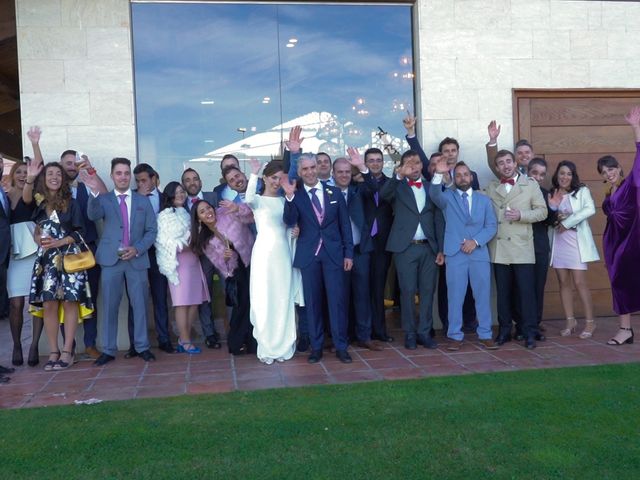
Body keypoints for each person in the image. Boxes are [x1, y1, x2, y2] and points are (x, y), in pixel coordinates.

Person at [281, 153, 354, 363]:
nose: (311, 172)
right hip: (309, 256)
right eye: (305, 169)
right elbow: (289, 220)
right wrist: (289, 198)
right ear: (300, 172)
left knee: (337, 302)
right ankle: (317, 347)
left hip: (333, 255)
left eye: (313, 167)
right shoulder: (296, 194)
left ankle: (341, 346)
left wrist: (348, 253)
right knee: (312, 304)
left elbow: (345, 226)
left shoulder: (334, 191)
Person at [87, 158, 157, 366]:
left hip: (136, 259)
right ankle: (108, 350)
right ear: (112, 176)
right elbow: (93, 215)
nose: (123, 177)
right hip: (111, 260)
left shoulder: (143, 201)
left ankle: (143, 347)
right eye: (119, 173)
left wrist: (137, 248)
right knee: (109, 305)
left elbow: (152, 230)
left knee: (141, 306)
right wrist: (93, 193)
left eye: (126, 173)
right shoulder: (105, 199)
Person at [27, 162, 94, 371]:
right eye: (50, 174)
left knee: (69, 302)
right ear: (44, 178)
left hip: (69, 258)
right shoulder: (39, 204)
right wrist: (38, 239)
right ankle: (54, 351)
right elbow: (36, 230)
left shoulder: (71, 203)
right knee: (48, 304)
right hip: (46, 261)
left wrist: (58, 242)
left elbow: (80, 232)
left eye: (58, 174)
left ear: (63, 179)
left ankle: (68, 351)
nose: (54, 177)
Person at [429, 157, 498, 350]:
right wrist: (437, 174)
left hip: (478, 253)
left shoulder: (484, 200)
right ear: (453, 178)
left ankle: (485, 334)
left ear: (471, 176)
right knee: (455, 296)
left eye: (465, 174)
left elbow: (491, 226)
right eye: (458, 175)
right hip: (455, 253)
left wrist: (475, 242)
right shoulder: (446, 197)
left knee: (482, 295)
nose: (462, 177)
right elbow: (434, 194)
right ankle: (455, 336)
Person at [380, 150, 444, 350]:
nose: (413, 167)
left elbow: (439, 220)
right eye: (409, 163)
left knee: (427, 291)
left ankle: (424, 332)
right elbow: (383, 195)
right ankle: (409, 333)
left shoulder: (430, 187)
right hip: (405, 248)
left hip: (429, 248)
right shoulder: (397, 187)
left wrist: (441, 249)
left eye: (416, 163)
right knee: (407, 292)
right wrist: (398, 175)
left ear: (422, 166)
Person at [485, 149, 547, 349]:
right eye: (501, 163)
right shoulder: (492, 187)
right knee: (503, 293)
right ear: (496, 168)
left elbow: (543, 211)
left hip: (522, 246)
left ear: (515, 163)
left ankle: (529, 331)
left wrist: (522, 215)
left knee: (526, 293)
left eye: (508, 161)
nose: (506, 165)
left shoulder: (530, 185)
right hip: (500, 247)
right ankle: (504, 331)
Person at [245, 159, 299, 363]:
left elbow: (288, 224)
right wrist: (253, 173)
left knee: (282, 297)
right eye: (274, 178)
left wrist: (294, 231)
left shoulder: (286, 200)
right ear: (266, 178)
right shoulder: (257, 200)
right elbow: (248, 198)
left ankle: (284, 343)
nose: (277, 182)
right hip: (264, 255)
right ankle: (267, 344)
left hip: (283, 254)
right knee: (264, 298)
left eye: (280, 178)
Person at [59, 147, 108, 359]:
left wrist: (90, 171)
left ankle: (90, 344)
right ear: (61, 167)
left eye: (75, 162)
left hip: (88, 249)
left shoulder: (86, 186)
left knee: (90, 298)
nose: (72, 167)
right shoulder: (55, 189)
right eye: (68, 164)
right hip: (62, 253)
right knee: (65, 300)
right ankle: (68, 348)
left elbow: (106, 197)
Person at [191, 199, 256, 355]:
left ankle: (252, 342)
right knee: (242, 305)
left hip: (253, 260)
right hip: (236, 271)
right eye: (202, 212)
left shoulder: (227, 213)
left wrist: (237, 208)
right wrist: (226, 258)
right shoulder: (204, 239)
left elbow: (251, 216)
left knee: (255, 304)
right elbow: (220, 265)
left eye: (208, 208)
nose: (208, 212)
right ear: (199, 218)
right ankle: (237, 343)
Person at [598, 106, 640, 345]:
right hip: (614, 246)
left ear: (619, 169)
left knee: (627, 282)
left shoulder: (630, 185)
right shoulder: (608, 193)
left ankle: (626, 330)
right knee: (619, 283)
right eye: (604, 171)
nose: (609, 173)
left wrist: (635, 128)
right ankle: (625, 330)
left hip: (631, 243)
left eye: (611, 168)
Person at [155, 182, 209, 354]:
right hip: (178, 263)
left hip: (193, 260)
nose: (180, 195)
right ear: (169, 195)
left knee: (194, 302)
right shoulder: (163, 216)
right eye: (176, 192)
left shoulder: (185, 212)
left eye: (182, 192)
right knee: (182, 303)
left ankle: (183, 338)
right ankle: (185, 341)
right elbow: (166, 242)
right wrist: (189, 241)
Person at [336, 152, 383, 351]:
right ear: (333, 173)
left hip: (360, 250)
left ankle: (364, 336)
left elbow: (375, 188)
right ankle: (342, 338)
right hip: (337, 253)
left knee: (362, 294)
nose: (344, 175)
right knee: (340, 296)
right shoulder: (327, 192)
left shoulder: (359, 189)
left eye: (348, 171)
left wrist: (363, 168)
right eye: (340, 172)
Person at [548, 161, 599, 338]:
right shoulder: (552, 193)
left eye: (569, 174)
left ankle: (590, 322)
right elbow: (549, 215)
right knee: (563, 283)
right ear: (557, 175)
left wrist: (567, 222)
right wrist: (555, 215)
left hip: (576, 244)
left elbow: (589, 209)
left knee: (579, 283)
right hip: (559, 243)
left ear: (573, 176)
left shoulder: (581, 191)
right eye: (562, 173)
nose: (565, 177)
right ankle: (570, 321)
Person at [129, 163, 173, 354]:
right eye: (137, 181)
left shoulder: (165, 199)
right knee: (135, 298)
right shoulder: (131, 197)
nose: (141, 184)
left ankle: (164, 339)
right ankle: (134, 344)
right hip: (138, 252)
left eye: (144, 180)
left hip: (158, 253)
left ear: (154, 178)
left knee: (160, 297)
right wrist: (139, 199)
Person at [181, 167, 221, 349]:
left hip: (221, 253)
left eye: (195, 179)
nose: (192, 183)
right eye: (188, 180)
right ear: (184, 185)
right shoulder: (180, 205)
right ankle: (210, 334)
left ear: (201, 181)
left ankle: (238, 329)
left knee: (232, 289)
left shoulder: (212, 198)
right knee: (205, 296)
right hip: (199, 257)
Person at [526, 157, 557, 334]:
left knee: (538, 286)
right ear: (528, 172)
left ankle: (535, 323)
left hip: (539, 247)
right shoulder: (518, 191)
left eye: (542, 174)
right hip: (520, 247)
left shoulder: (547, 194)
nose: (538, 177)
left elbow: (551, 222)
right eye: (535, 173)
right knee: (522, 287)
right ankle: (522, 324)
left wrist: (552, 207)